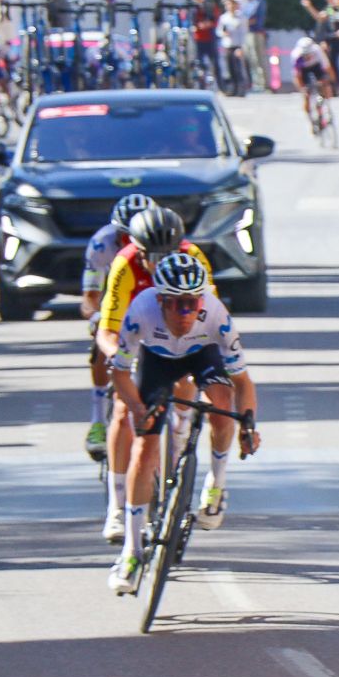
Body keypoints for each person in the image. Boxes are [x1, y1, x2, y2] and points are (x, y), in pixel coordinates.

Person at [105, 254, 260, 593]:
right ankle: (131, 552)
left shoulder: (216, 314)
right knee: (144, 448)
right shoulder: (141, 310)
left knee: (222, 407)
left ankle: (216, 484)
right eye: (177, 304)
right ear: (161, 300)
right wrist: (137, 408)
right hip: (156, 361)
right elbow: (119, 372)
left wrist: (248, 426)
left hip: (202, 354)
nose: (186, 312)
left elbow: (243, 382)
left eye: (193, 303)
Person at [94, 204, 217, 542]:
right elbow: (107, 331)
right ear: (138, 250)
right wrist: (119, 357)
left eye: (168, 254)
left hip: (180, 334)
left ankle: (180, 434)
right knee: (124, 410)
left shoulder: (193, 259)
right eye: (152, 256)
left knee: (187, 381)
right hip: (136, 334)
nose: (160, 263)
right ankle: (117, 506)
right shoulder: (125, 264)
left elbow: (210, 319)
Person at [80, 194, 155, 462]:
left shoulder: (161, 242)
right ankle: (98, 421)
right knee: (102, 342)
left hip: (149, 302)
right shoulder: (102, 243)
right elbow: (90, 297)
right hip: (116, 304)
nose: (131, 243)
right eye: (125, 236)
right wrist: (96, 318)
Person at [300, 0, 339, 95]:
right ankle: (335, 89)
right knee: (333, 65)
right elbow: (320, 17)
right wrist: (309, 7)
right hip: (333, 40)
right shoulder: (329, 9)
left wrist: (338, 7)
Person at [290, 35, 336, 132]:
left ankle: (322, 106)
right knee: (306, 95)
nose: (307, 57)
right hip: (303, 70)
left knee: (324, 84)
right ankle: (311, 120)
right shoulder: (296, 56)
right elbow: (297, 76)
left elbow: (328, 68)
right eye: (305, 55)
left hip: (316, 66)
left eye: (309, 54)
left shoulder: (317, 50)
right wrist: (303, 89)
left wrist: (332, 81)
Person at [216, 0, 249, 96]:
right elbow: (218, 31)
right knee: (229, 68)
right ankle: (232, 88)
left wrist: (241, 47)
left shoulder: (241, 18)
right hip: (227, 45)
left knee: (238, 68)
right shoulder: (224, 18)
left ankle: (241, 88)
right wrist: (223, 33)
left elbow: (244, 33)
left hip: (237, 45)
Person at [240, 0, 269, 91]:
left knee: (258, 59)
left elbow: (255, 19)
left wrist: (244, 22)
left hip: (256, 33)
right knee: (250, 59)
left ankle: (263, 84)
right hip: (247, 33)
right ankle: (255, 83)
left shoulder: (260, 1)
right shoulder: (247, 3)